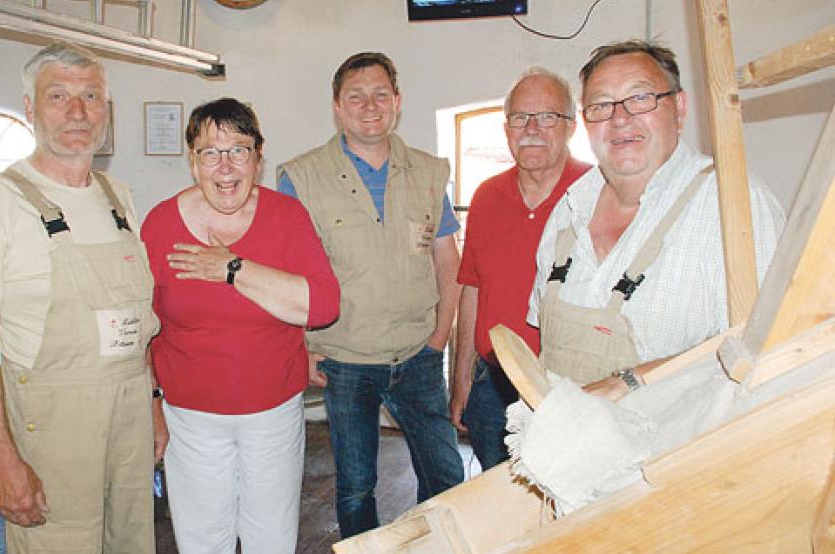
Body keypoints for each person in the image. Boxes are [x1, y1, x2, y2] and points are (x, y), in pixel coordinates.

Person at [0, 42, 164, 552]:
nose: (78, 112)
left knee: (130, 541)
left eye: (91, 96)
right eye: (58, 96)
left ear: (107, 110)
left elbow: (137, 320)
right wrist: (2, 461)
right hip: (53, 429)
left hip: (129, 416)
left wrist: (151, 405)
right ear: (29, 108)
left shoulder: (118, 198)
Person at [527, 40, 785, 400]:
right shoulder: (567, 212)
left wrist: (631, 380)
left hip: (680, 449)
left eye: (641, 98)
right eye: (601, 105)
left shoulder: (734, 205)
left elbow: (770, 354)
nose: (620, 118)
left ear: (679, 108)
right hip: (565, 446)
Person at [277, 51, 464, 538]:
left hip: (419, 355)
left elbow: (448, 261)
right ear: (337, 107)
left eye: (381, 94)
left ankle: (433, 548)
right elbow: (285, 271)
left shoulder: (428, 173)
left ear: (397, 102)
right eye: (355, 96)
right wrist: (302, 344)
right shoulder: (301, 176)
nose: (369, 106)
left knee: (445, 474)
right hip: (346, 359)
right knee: (357, 486)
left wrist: (440, 336)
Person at [141, 97, 340, 553]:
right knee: (201, 539)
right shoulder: (159, 224)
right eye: (210, 152)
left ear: (258, 157)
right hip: (190, 417)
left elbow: (324, 305)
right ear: (192, 161)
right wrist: (152, 402)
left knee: (270, 537)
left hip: (273, 411)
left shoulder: (287, 217)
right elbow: (143, 330)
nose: (225, 167)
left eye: (239, 150)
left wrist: (231, 268)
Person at [451, 67, 591, 470]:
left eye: (547, 116)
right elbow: (472, 288)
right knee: (498, 496)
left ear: (571, 126)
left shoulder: (597, 192)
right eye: (519, 118)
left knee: (566, 496)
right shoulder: (486, 196)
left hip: (570, 384)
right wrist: (461, 379)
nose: (531, 128)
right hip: (493, 384)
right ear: (506, 128)